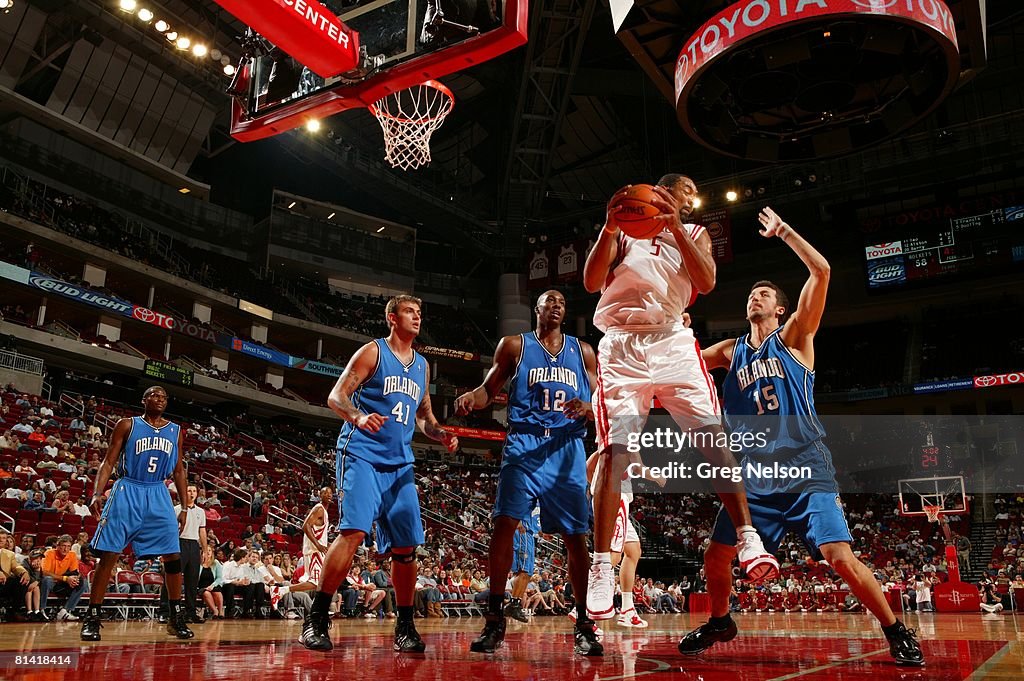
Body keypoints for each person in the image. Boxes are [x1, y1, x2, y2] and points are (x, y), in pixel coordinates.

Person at [676, 207, 923, 666]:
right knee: (716, 555)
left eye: (764, 293)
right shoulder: (730, 351)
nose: (755, 296)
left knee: (839, 557)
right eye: (751, 293)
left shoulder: (794, 338)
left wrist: (784, 231)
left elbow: (823, 270)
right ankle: (720, 620)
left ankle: (895, 629)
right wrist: (677, 331)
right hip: (755, 473)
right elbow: (682, 364)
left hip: (805, 463)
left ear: (780, 308)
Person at [582, 175, 779, 621]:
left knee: (713, 438)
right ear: (660, 192)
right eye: (684, 192)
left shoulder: (693, 233)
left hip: (672, 342)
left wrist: (672, 228)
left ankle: (748, 535)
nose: (690, 200)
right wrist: (609, 228)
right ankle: (600, 567)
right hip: (621, 343)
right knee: (614, 451)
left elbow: (706, 281)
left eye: (691, 198)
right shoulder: (624, 228)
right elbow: (593, 281)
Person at [300, 295, 459, 653]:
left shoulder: (422, 365)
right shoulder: (372, 352)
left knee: (406, 548)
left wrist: (440, 433)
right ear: (392, 317)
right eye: (409, 311)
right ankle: (317, 618)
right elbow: (337, 396)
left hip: (400, 462)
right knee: (353, 531)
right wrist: (357, 416)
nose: (417, 317)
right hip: (361, 454)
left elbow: (424, 417)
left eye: (420, 312)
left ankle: (405, 626)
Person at [456, 290, 603, 655]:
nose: (556, 306)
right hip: (524, 444)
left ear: (565, 313)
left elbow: (602, 399)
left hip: (566, 449)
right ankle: (494, 619)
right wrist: (471, 399)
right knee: (504, 524)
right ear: (536, 310)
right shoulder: (514, 346)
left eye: (561, 303)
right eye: (548, 301)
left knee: (575, 536)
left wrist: (587, 406)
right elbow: (488, 390)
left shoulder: (582, 351)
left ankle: (584, 623)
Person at [80, 386, 194, 641]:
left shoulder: (175, 431)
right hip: (128, 488)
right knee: (109, 554)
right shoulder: (127, 425)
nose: (160, 399)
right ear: (143, 400)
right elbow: (108, 461)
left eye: (164, 397)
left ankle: (175, 617)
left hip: (158, 492)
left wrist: (185, 506)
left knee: (173, 556)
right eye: (154, 395)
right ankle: (92, 617)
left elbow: (178, 471)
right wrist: (98, 493)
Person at [159, 484, 208, 623]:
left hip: (193, 545)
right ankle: (164, 611)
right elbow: (169, 530)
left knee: (192, 581)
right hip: (178, 543)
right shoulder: (176, 509)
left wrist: (204, 550)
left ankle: (190, 613)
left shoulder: (201, 511)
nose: (191, 493)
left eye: (194, 491)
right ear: (183, 493)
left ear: (197, 494)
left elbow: (202, 531)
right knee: (172, 578)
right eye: (189, 490)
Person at [300, 486, 333, 591]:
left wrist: (326, 544)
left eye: (330, 493)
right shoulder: (319, 509)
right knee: (315, 583)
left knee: (320, 583)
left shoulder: (324, 511)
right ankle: (281, 590)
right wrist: (318, 545)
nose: (328, 495)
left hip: (317, 551)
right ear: (320, 495)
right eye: (325, 493)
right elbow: (305, 526)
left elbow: (319, 532)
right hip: (313, 551)